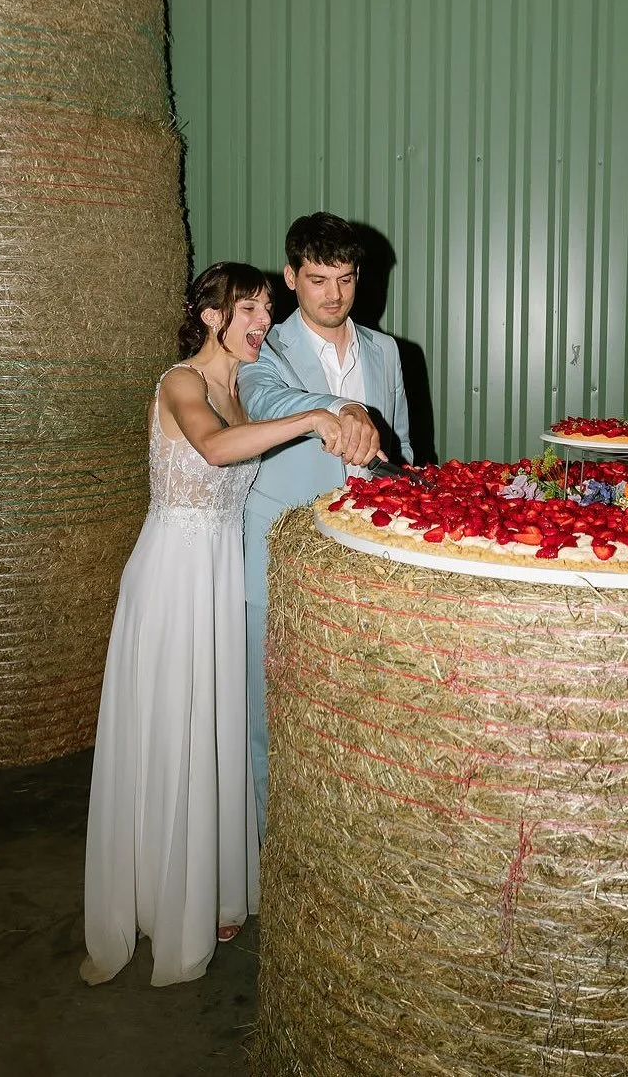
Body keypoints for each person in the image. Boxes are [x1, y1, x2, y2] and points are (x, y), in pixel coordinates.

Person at [80, 262, 355, 988]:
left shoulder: (242, 389)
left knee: (215, 733)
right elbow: (212, 448)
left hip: (220, 580)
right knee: (170, 731)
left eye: (268, 309)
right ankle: (157, 902)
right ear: (210, 317)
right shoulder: (183, 383)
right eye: (250, 309)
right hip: (171, 578)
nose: (264, 321)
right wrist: (313, 417)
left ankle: (209, 890)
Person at [238, 212, 413, 839]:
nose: (334, 294)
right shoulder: (265, 347)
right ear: (290, 278)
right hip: (279, 546)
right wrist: (337, 409)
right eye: (317, 279)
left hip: (366, 553)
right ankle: (262, 859)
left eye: (345, 278)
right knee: (269, 709)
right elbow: (265, 401)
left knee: (357, 706)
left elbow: (403, 454)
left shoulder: (389, 352)